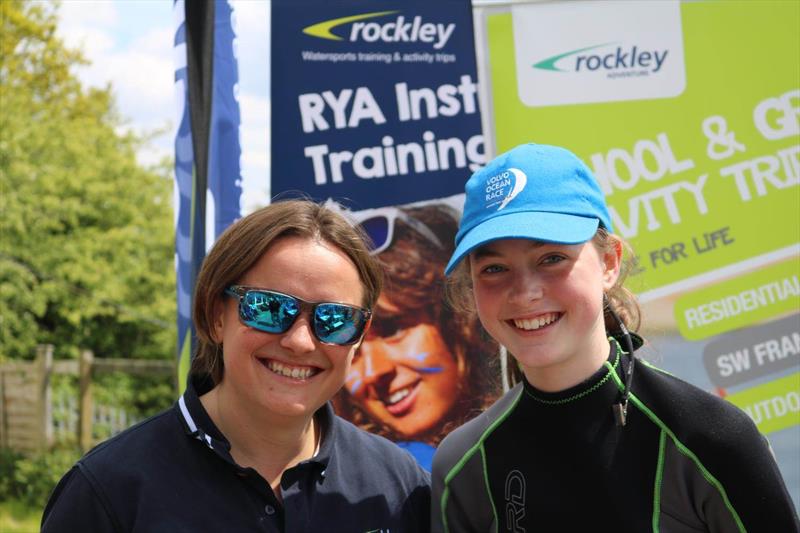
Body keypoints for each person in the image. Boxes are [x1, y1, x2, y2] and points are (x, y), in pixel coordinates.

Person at [431, 144, 799, 532]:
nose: (524, 293)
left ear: (609, 262)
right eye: (494, 268)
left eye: (551, 258)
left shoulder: (712, 438)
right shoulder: (462, 466)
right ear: (470, 286)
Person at [41, 199, 431, 532]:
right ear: (216, 316)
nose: (299, 341)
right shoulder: (109, 494)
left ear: (359, 336)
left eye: (335, 319)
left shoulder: (399, 487)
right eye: (268, 308)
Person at [332, 203, 502, 471]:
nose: (375, 371)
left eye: (393, 330)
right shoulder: (351, 476)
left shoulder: (530, 434)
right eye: (353, 344)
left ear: (457, 318)